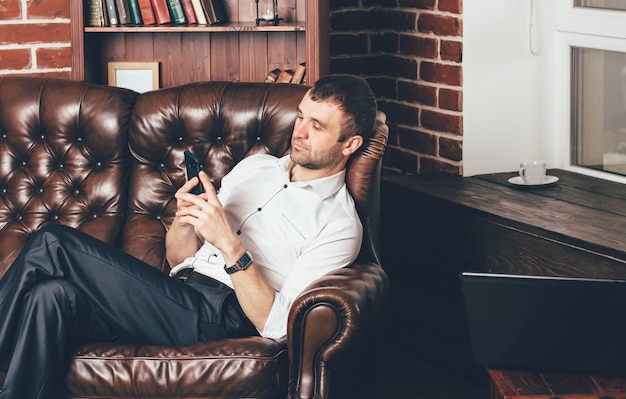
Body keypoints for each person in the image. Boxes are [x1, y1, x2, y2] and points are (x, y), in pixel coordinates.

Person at [0, 74, 377, 399]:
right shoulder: (257, 166)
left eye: (318, 126)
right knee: (50, 297)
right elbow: (181, 259)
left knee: (53, 242)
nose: (300, 131)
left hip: (222, 317)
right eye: (300, 117)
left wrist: (230, 244)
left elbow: (279, 325)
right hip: (177, 295)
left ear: (350, 144)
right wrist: (185, 222)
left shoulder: (340, 225)